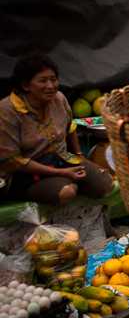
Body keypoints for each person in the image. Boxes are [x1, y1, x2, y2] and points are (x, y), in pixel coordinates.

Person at [0, 55, 113, 205]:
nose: (51, 86)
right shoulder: (7, 110)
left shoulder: (59, 98)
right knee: (66, 191)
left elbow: (70, 127)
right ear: (26, 85)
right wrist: (60, 173)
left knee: (104, 184)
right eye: (43, 81)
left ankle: (67, 182)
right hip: (25, 173)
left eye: (53, 79)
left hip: (61, 159)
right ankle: (61, 184)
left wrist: (80, 157)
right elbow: (13, 161)